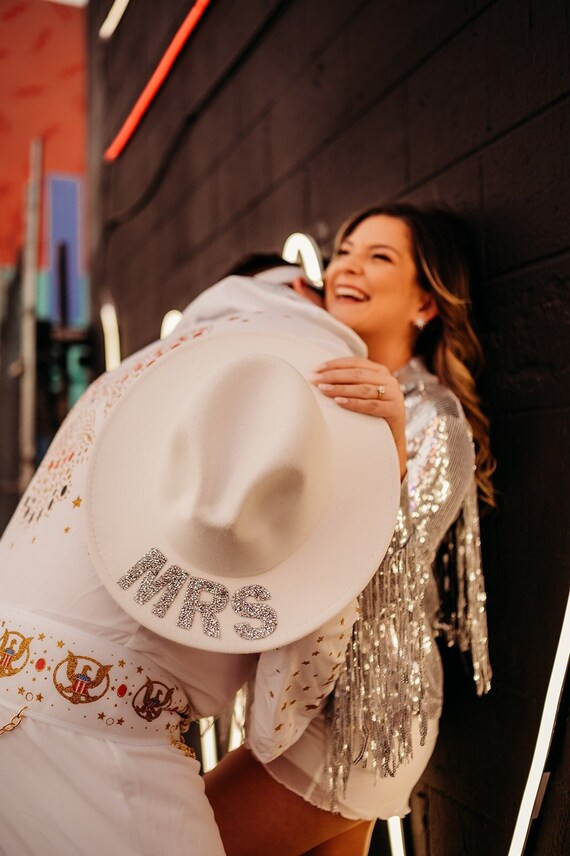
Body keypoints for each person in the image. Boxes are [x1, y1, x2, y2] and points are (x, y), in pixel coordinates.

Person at [0, 264, 400, 855]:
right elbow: (299, 677)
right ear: (296, 288)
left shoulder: (139, 368)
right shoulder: (312, 374)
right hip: (100, 735)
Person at [204, 203, 494, 855]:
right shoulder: (314, 394)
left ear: (426, 304)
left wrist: (390, 440)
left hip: (359, 717)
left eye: (379, 257)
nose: (347, 268)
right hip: (303, 702)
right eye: (344, 250)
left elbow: (386, 574)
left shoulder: (434, 420)